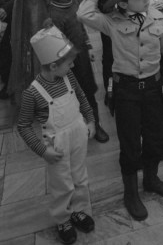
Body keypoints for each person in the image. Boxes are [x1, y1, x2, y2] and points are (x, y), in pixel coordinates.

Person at [77, 0, 163, 220]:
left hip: (154, 89)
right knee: (130, 143)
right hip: (127, 91)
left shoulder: (158, 18)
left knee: (156, 136)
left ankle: (151, 179)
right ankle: (130, 192)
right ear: (123, 3)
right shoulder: (111, 21)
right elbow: (83, 12)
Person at [17, 25, 95, 245]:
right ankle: (63, 219)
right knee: (62, 184)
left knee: (80, 177)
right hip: (56, 146)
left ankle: (79, 210)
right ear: (53, 65)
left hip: (78, 135)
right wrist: (43, 151)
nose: (72, 66)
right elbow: (23, 126)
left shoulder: (68, 77)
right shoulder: (32, 93)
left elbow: (81, 96)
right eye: (69, 63)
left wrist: (90, 120)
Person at [45, 0, 109, 143]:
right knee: (73, 96)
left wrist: (88, 46)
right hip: (68, 65)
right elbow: (55, 44)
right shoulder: (54, 15)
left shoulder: (73, 3)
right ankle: (78, 128)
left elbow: (81, 28)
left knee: (88, 91)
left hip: (82, 58)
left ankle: (95, 124)